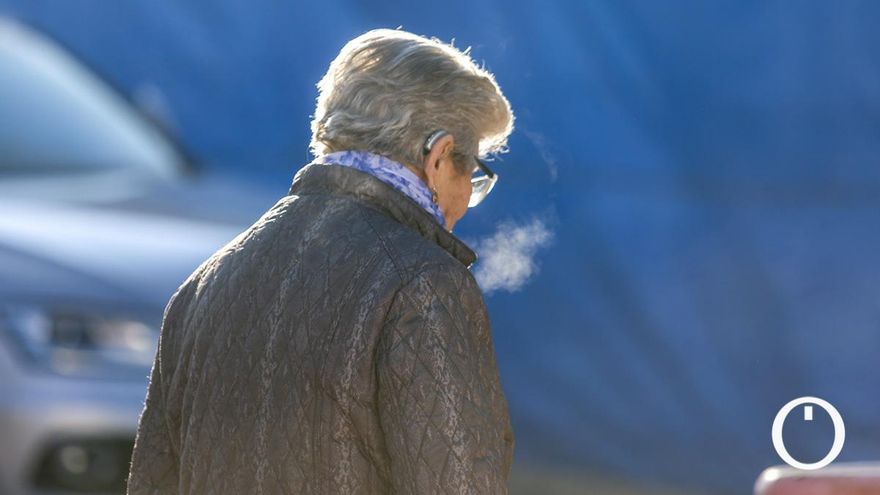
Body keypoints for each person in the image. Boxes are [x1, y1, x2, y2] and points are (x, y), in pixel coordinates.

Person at [127, 28, 515, 494]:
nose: (464, 204)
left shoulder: (202, 287)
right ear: (439, 156)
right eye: (472, 177)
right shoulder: (424, 284)